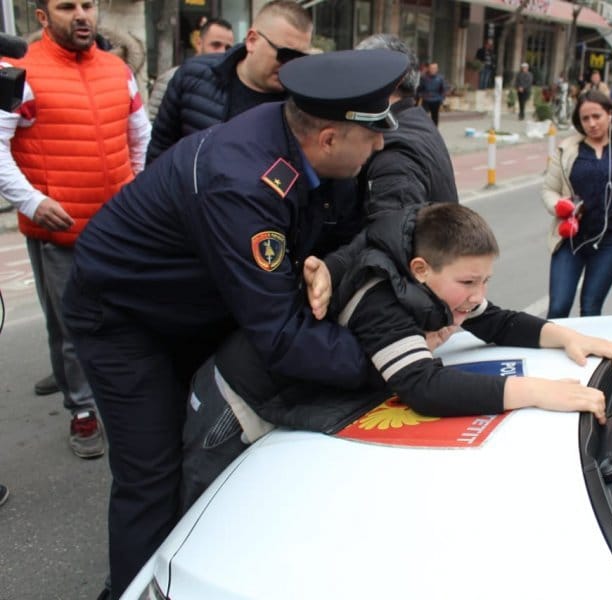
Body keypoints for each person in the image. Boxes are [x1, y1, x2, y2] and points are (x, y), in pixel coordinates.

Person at [62, 49, 409, 598]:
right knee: (151, 475)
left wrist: (324, 266)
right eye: (372, 136)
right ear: (328, 140)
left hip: (191, 299)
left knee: (205, 447)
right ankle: (131, 588)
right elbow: (282, 338)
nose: (381, 145)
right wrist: (394, 365)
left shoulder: (297, 138)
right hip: (124, 316)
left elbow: (331, 234)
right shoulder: (244, 183)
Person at [180, 202, 612, 508]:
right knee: (197, 519)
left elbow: (498, 321)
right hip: (235, 406)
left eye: (486, 280)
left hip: (280, 397)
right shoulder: (380, 297)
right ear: (421, 270)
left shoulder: (431, 283)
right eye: (470, 282)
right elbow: (423, 387)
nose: (478, 295)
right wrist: (536, 391)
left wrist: (568, 337)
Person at [0, 0, 151, 458]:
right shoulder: (17, 69)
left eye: (88, 5)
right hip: (59, 232)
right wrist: (32, 202)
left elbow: (138, 133)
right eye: (68, 6)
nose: (82, 15)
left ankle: (120, 394)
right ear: (43, 17)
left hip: (117, 231)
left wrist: (137, 191)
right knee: (70, 327)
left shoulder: (117, 69)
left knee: (126, 318)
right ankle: (83, 410)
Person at [148, 0, 313, 162]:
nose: (290, 66)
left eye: (299, 58)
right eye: (285, 55)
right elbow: (159, 151)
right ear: (252, 40)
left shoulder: (302, 104)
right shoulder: (193, 75)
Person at [542, 90, 612, 318]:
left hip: (609, 242)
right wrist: (559, 206)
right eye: (585, 119)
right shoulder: (567, 149)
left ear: (610, 114)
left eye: (597, 116)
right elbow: (549, 189)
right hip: (570, 240)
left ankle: (585, 353)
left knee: (590, 308)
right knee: (558, 307)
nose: (591, 123)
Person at [356, 34, 458, 213]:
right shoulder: (415, 120)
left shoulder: (394, 153)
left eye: (357, 74)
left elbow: (390, 237)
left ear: (391, 81)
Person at [145, 17, 234, 123]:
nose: (222, 52)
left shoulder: (232, 83)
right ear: (198, 44)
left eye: (228, 48)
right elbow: (151, 124)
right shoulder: (172, 78)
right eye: (215, 45)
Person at [417, 61, 448, 126]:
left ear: (437, 69)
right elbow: (419, 89)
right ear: (429, 69)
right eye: (432, 68)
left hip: (436, 100)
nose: (433, 70)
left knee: (435, 117)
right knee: (423, 116)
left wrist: (441, 99)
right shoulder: (424, 78)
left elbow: (443, 90)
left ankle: (434, 130)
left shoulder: (440, 78)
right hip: (426, 100)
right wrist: (420, 95)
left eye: (435, 68)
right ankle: (423, 129)